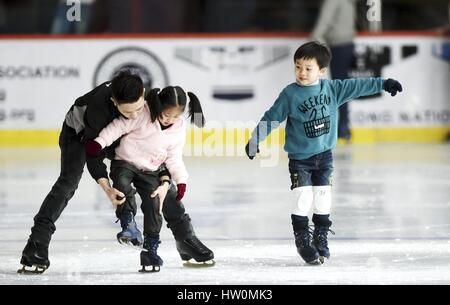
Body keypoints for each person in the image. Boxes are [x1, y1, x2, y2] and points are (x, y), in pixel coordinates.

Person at [18, 71, 210, 274]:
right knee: (68, 182)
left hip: (121, 138)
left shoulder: (152, 105)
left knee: (161, 186)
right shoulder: (97, 111)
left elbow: (164, 150)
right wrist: (107, 188)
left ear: (143, 94)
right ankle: (36, 244)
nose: (136, 115)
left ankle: (186, 238)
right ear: (114, 102)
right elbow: (94, 154)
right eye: (128, 112)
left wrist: (167, 180)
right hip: (82, 135)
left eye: (138, 108)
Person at [245, 41, 402, 265]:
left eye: (308, 68)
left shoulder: (332, 89)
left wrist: (384, 83)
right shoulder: (290, 94)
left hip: (325, 155)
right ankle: (302, 241)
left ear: (322, 71)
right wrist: (255, 139)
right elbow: (271, 117)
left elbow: (359, 85)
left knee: (323, 197)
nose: (302, 72)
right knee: (302, 198)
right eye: (298, 67)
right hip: (300, 158)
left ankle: (320, 238)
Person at [86, 86, 213, 272]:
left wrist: (181, 180)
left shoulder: (178, 128)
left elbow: (174, 156)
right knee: (122, 185)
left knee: (160, 200)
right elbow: (119, 127)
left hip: (152, 169)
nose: (170, 120)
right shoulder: (144, 112)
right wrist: (100, 142)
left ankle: (172, 244)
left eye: (175, 116)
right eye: (166, 115)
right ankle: (128, 224)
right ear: (158, 106)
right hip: (126, 162)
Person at [311, 0, 356, 141]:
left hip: (338, 46)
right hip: (348, 44)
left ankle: (343, 127)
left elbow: (324, 21)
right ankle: (344, 127)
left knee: (339, 87)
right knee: (341, 86)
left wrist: (315, 39)